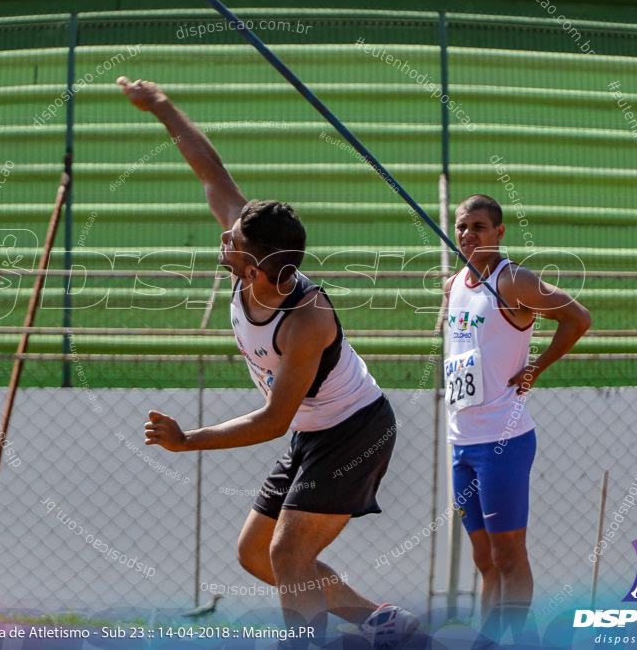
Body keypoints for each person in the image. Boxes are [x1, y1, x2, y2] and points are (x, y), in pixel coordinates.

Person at [117, 75, 418, 649]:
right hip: (314, 432)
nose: (223, 239)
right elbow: (212, 173)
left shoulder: (305, 320)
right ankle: (384, 624)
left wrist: (189, 440)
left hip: (355, 430)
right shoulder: (256, 254)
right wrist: (161, 107)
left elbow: (273, 420)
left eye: (232, 242)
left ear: (255, 268)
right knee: (257, 553)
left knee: (288, 551)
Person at [442, 194, 591, 642]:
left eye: (479, 228)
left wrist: (536, 367)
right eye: (463, 227)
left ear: (500, 232)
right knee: (484, 560)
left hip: (502, 441)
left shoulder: (515, 282)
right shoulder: (452, 286)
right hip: (461, 441)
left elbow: (578, 318)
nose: (469, 235)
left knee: (509, 557)